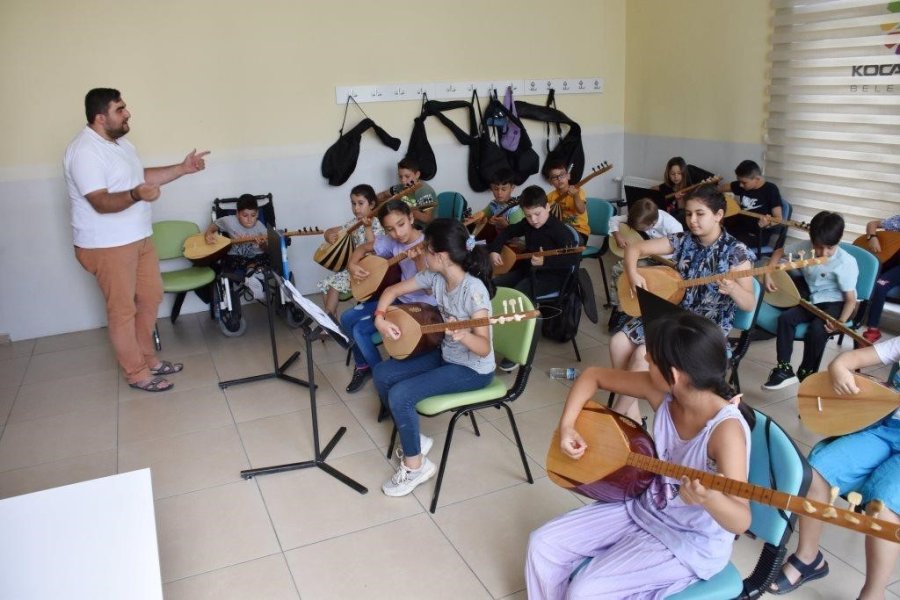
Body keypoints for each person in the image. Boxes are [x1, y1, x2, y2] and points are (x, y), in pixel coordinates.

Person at [526, 311, 753, 599]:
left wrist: (710, 498)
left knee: (585, 591)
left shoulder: (726, 431)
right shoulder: (665, 392)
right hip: (643, 508)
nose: (645, 359)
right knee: (543, 544)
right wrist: (568, 425)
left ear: (675, 375)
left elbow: (741, 520)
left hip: (689, 542)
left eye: (651, 357)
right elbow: (593, 376)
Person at [63, 88, 209, 393]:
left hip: (139, 237)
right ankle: (137, 373)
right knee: (122, 310)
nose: (127, 113)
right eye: (120, 109)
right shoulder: (85, 151)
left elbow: (139, 176)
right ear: (100, 117)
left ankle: (149, 359)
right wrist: (135, 194)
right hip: (107, 244)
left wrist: (182, 169)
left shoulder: (120, 144)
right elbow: (100, 201)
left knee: (151, 296)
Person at [372, 219, 496, 496]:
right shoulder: (436, 277)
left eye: (426, 249)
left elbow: (484, 347)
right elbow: (391, 291)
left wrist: (463, 335)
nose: (421, 252)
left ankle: (416, 467)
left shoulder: (473, 291)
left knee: (401, 394)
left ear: (440, 256)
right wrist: (380, 319)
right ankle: (416, 437)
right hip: (447, 355)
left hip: (473, 369)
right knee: (382, 374)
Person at [612, 185, 756, 423]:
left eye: (700, 214)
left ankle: (617, 415)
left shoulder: (736, 253)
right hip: (674, 314)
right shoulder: (684, 241)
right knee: (618, 342)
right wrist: (633, 274)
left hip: (706, 327)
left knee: (642, 354)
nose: (692, 220)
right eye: (688, 214)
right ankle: (632, 413)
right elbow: (635, 248)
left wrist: (733, 289)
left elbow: (749, 304)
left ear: (718, 215)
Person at [768, 338, 900, 598]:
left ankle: (873, 593)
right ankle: (808, 558)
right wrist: (839, 368)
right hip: (885, 429)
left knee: (883, 506)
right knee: (816, 472)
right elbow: (848, 360)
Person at [341, 200, 435, 393]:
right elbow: (362, 249)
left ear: (411, 218)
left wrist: (419, 262)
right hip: (399, 299)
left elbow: (430, 291)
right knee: (346, 317)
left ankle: (380, 375)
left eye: (401, 225)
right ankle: (364, 366)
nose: (397, 234)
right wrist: (352, 265)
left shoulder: (429, 245)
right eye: (390, 229)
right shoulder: (393, 241)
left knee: (360, 330)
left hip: (423, 306)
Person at [762, 211, 858, 390]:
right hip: (812, 299)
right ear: (811, 238)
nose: (823, 252)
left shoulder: (846, 262)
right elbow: (778, 252)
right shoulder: (805, 247)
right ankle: (784, 369)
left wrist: (840, 322)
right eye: (818, 246)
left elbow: (851, 300)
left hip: (837, 302)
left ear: (839, 240)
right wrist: (768, 273)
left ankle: (807, 370)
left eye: (829, 247)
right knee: (785, 319)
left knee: (817, 329)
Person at [607, 198, 684, 333]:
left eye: (641, 229)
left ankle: (632, 310)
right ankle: (620, 304)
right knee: (618, 269)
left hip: (666, 262)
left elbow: (678, 253)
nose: (637, 230)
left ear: (652, 223)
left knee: (644, 278)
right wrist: (618, 235)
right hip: (646, 254)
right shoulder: (640, 216)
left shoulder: (673, 227)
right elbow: (614, 220)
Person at [316, 184, 384, 320]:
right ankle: (332, 321)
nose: (356, 208)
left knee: (334, 285)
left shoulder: (376, 223)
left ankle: (327, 322)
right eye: (353, 204)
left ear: (371, 204)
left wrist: (368, 228)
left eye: (360, 203)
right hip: (352, 268)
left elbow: (374, 248)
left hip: (366, 270)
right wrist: (328, 235)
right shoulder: (354, 222)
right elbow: (334, 230)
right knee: (324, 285)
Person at [204, 194, 269, 301]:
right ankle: (253, 276)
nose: (249, 219)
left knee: (265, 258)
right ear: (237, 214)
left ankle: (252, 276)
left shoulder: (260, 226)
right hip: (236, 257)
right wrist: (209, 234)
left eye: (253, 215)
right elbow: (214, 225)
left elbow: (267, 249)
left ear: (257, 214)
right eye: (245, 215)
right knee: (231, 260)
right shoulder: (229, 221)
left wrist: (262, 244)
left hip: (256, 257)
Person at [720, 159, 784, 252]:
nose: (740, 185)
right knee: (714, 234)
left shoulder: (771, 190)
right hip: (739, 227)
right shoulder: (742, 185)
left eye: (744, 182)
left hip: (757, 234)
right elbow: (721, 188)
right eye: (739, 181)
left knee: (728, 244)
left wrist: (767, 224)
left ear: (757, 179)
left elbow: (778, 218)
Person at [861, 214, 900, 343]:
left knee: (880, 285)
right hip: (887, 261)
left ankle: (872, 330)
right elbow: (872, 224)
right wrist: (872, 237)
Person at [465, 167, 525, 238]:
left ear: (512, 187)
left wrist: (505, 226)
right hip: (499, 241)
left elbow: (519, 237)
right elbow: (482, 215)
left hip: (513, 245)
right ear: (491, 188)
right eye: (496, 189)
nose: (499, 193)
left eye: (504, 189)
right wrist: (472, 220)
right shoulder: (494, 204)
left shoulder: (515, 210)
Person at [378, 157, 437, 225]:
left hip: (422, 229)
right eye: (400, 176)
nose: (403, 180)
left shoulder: (424, 191)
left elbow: (428, 219)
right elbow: (384, 194)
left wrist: (409, 211)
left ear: (417, 175)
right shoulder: (401, 187)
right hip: (406, 225)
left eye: (407, 176)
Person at [544, 159, 589, 245]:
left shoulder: (578, 191)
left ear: (568, 176)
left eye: (562, 175)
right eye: (554, 177)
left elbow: (581, 210)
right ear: (550, 182)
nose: (559, 179)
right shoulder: (550, 196)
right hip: (560, 230)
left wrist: (575, 196)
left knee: (558, 241)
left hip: (579, 232)